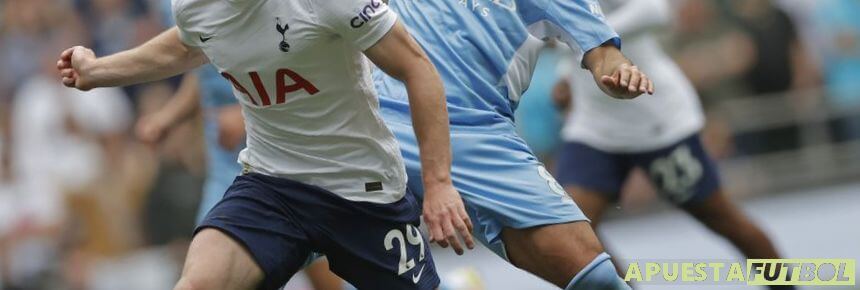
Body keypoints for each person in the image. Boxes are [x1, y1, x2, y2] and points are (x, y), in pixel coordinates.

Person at [57, 0, 472, 288]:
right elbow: (188, 44)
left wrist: (438, 184)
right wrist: (98, 71)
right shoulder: (197, 7)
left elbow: (418, 68)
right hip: (272, 184)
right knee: (199, 283)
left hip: (361, 190)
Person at [372, 0, 653, 289]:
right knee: (339, 254)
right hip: (378, 123)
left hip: (479, 137)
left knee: (598, 279)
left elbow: (605, 54)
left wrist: (620, 72)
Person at [552, 1, 794, 290]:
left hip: (658, 122)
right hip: (594, 127)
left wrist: (586, 35)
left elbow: (657, 10)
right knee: (570, 230)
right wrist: (564, 75)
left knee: (723, 219)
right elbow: (556, 35)